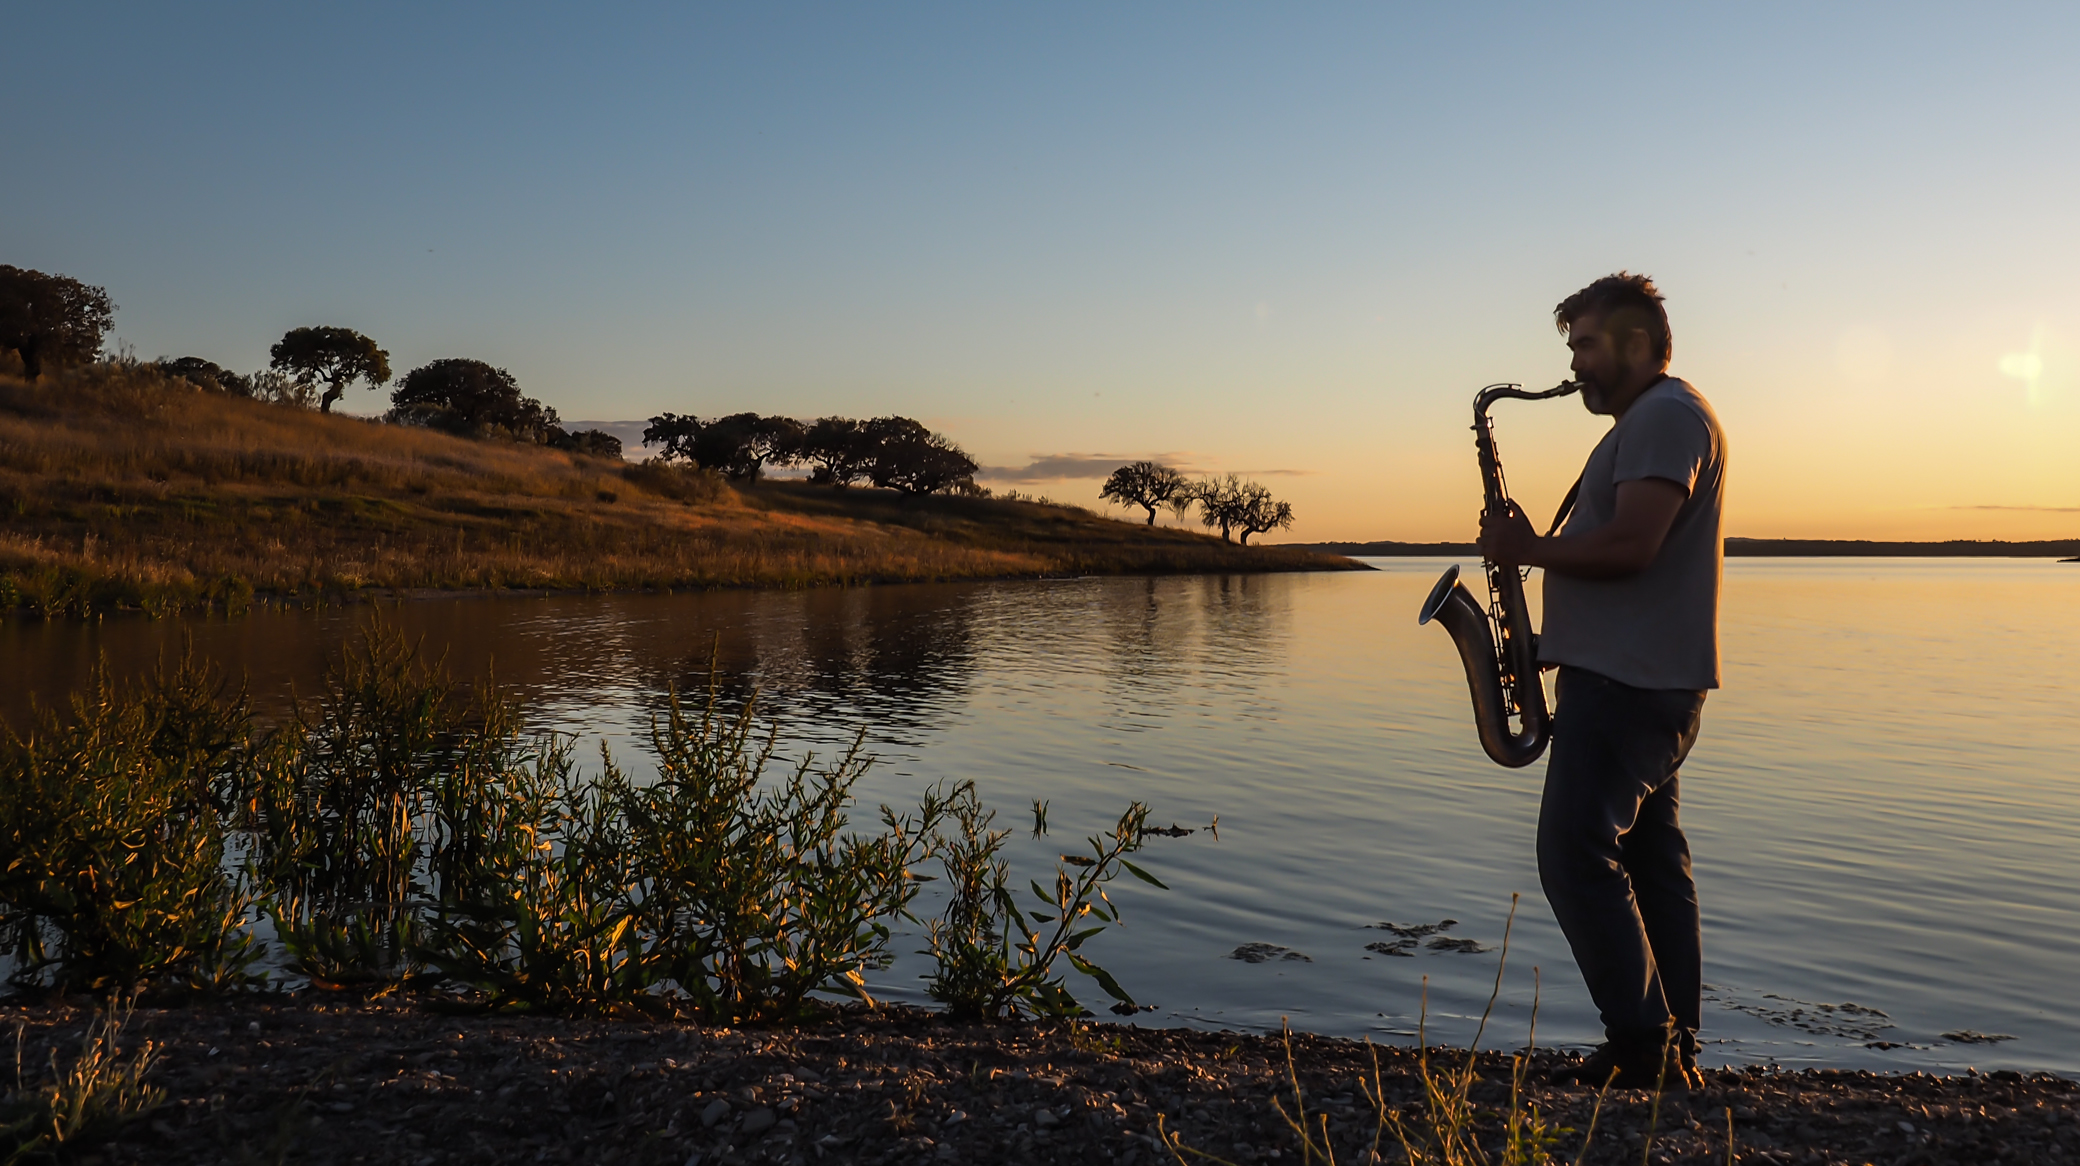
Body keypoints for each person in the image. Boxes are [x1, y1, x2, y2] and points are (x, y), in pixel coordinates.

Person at [1477, 272, 1728, 1090]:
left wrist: (1527, 553)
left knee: (1573, 853)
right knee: (1653, 862)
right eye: (1572, 347)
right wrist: (1551, 638)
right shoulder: (1662, 417)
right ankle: (1674, 1044)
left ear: (1633, 343)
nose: (1575, 364)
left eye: (1585, 344)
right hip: (1636, 675)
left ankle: (1643, 1045)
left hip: (1627, 688)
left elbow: (1633, 547)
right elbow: (1629, 563)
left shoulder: (1663, 417)